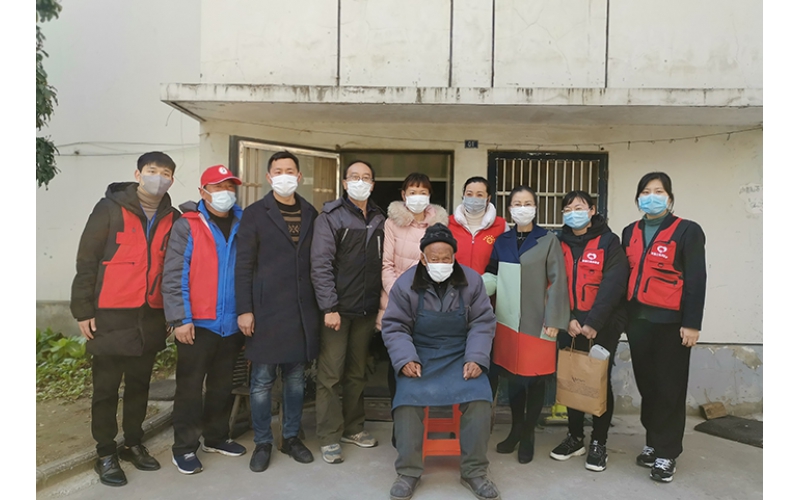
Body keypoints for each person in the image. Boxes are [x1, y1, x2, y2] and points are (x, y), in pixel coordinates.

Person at [70, 152, 180, 487]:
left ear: (172, 180)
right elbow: (87, 260)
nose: (158, 177)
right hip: (109, 314)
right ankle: (105, 452)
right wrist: (83, 310)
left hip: (150, 315)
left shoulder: (173, 217)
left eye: (165, 173)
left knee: (139, 386)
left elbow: (174, 269)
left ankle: (133, 443)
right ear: (138, 174)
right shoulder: (108, 209)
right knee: (105, 390)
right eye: (152, 170)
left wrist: (172, 312)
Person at [382, 223, 501, 500]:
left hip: (461, 355)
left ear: (454, 257)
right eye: (434, 258)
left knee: (480, 398)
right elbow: (395, 326)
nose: (440, 263)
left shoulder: (472, 281)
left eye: (446, 258)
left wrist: (476, 357)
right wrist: (406, 358)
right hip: (420, 356)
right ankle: (408, 471)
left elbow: (483, 323)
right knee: (407, 400)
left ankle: (474, 471)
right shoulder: (405, 284)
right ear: (423, 258)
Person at [236, 151, 319, 472]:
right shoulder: (255, 214)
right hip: (265, 311)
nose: (285, 175)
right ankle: (262, 442)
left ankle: (291, 437)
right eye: (278, 170)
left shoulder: (310, 212)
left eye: (290, 170)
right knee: (262, 381)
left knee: (296, 380)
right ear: (269, 177)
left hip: (300, 311)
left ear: (299, 177)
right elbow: (244, 265)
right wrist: (245, 309)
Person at [621, 172, 706, 483]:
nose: (651, 197)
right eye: (645, 191)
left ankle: (667, 452)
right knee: (648, 386)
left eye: (658, 191)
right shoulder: (630, 231)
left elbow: (696, 279)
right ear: (638, 198)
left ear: (669, 198)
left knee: (670, 387)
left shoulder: (687, 231)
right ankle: (654, 441)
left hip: (672, 324)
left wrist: (692, 324)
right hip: (638, 323)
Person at [162, 165, 247, 474]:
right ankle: (184, 448)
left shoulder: (243, 224)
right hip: (196, 324)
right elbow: (175, 274)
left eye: (229, 187)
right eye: (218, 187)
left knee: (222, 386)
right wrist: (180, 318)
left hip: (231, 323)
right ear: (203, 192)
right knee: (189, 388)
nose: (225, 193)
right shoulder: (188, 225)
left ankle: (216, 437)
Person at [481, 185, 569, 464]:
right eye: (517, 203)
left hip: (539, 322)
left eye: (527, 203)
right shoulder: (502, 241)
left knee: (536, 379)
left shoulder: (548, 240)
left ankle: (528, 434)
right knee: (514, 379)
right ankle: (516, 430)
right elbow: (493, 275)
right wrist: (470, 288)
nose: (522, 208)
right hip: (507, 321)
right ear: (509, 209)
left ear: (535, 207)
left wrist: (555, 320)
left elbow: (557, 281)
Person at [311, 159, 386, 464]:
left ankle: (353, 427)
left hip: (366, 309)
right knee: (331, 374)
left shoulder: (380, 218)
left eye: (366, 177)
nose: (360, 181)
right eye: (354, 176)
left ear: (372, 184)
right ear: (344, 183)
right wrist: (329, 307)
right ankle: (329, 435)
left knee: (357, 372)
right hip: (337, 311)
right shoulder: (330, 217)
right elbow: (321, 265)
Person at [549, 190, 628, 472]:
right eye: (568, 209)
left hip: (602, 324)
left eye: (579, 207)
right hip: (569, 323)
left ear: (592, 210)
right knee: (572, 377)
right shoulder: (558, 242)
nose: (574, 213)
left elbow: (614, 284)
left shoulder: (609, 241)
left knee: (597, 380)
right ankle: (575, 437)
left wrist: (593, 322)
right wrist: (568, 318)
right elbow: (553, 282)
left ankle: (599, 441)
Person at [378, 172, 448, 327]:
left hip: (429, 302)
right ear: (404, 195)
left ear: (429, 196)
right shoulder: (392, 224)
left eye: (423, 193)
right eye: (413, 192)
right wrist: (399, 293)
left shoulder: (439, 226)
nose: (418, 197)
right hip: (397, 300)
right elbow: (386, 264)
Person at [448, 176, 508, 274]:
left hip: (487, 283)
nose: (474, 199)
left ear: (488, 199)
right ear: (463, 196)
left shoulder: (501, 226)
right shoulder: (448, 224)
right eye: (469, 194)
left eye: (479, 195)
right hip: (455, 283)